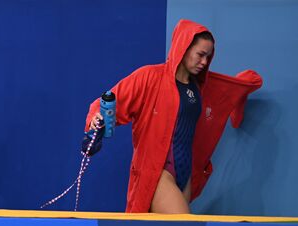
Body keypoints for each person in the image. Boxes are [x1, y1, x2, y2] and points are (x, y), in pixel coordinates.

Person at [85, 19, 262, 213]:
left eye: (208, 57)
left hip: (185, 174)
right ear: (184, 47)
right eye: (200, 55)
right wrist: (96, 121)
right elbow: (108, 102)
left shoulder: (202, 87)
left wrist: (247, 85)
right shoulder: (149, 77)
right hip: (158, 172)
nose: (204, 62)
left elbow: (231, 90)